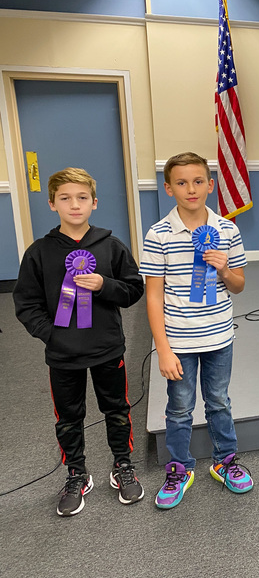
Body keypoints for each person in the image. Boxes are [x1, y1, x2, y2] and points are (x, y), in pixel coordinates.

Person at [13, 168, 145, 516]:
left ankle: (122, 465)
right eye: (66, 198)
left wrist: (104, 285)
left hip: (107, 347)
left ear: (94, 203)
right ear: (52, 203)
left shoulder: (112, 246)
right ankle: (76, 473)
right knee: (69, 416)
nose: (75, 205)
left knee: (116, 408)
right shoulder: (39, 252)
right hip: (62, 353)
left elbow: (133, 290)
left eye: (82, 198)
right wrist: (51, 334)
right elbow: (26, 303)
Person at [140, 152, 253, 509]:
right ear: (168, 188)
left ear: (211, 185)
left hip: (220, 336)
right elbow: (154, 296)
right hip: (179, 340)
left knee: (219, 401)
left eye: (198, 181)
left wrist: (223, 270)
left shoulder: (227, 230)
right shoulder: (158, 234)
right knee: (180, 406)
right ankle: (180, 467)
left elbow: (238, 286)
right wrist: (163, 347)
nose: (191, 189)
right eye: (182, 182)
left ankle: (225, 461)